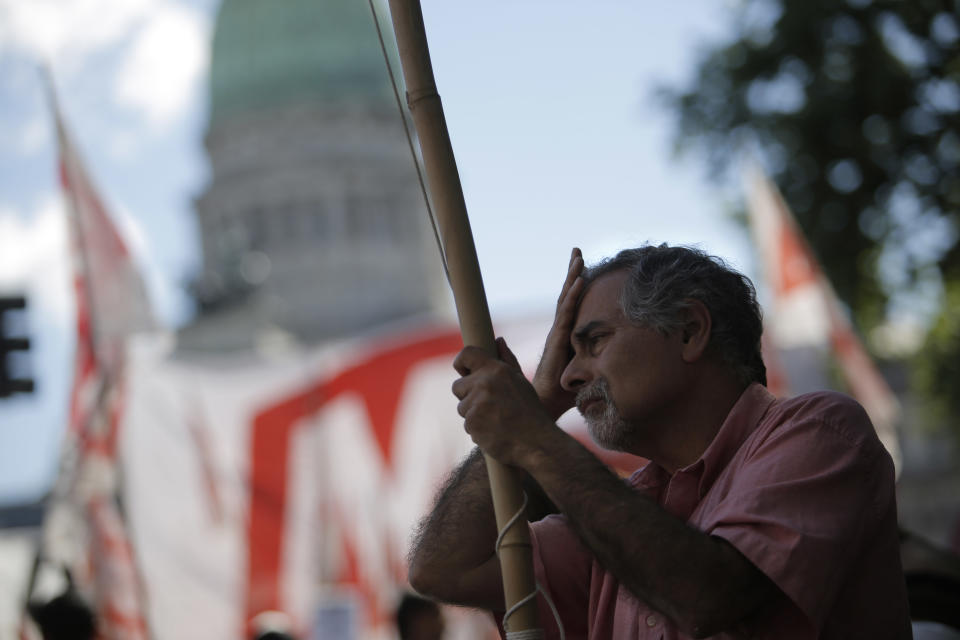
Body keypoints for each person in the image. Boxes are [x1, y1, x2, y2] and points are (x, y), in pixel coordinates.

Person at [408, 244, 911, 639]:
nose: (568, 377)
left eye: (593, 343)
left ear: (690, 330)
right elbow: (441, 570)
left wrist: (535, 438)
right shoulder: (624, 509)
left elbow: (708, 596)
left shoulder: (820, 430)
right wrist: (537, 408)